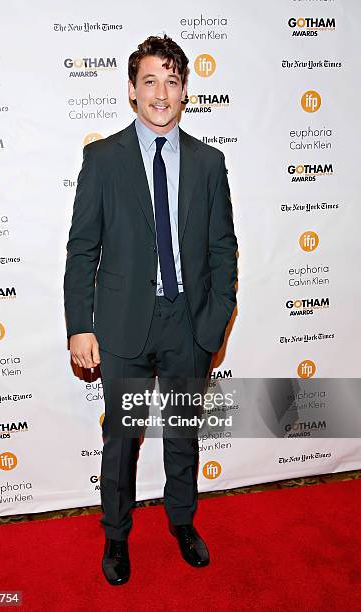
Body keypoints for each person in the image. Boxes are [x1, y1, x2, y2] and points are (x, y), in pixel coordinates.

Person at [63, 34, 238, 586]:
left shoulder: (210, 163)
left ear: (184, 90)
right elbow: (82, 249)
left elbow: (222, 251)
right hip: (121, 328)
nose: (161, 93)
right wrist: (79, 326)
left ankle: (182, 522)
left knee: (184, 433)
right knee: (122, 439)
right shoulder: (103, 158)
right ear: (132, 92)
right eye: (149, 81)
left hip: (188, 325)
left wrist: (211, 328)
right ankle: (116, 536)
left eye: (171, 81)